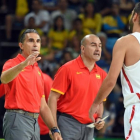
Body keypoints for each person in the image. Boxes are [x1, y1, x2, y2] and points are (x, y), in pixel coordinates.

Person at [89, 2, 140, 140]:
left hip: (137, 107)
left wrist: (96, 103)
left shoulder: (125, 42)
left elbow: (111, 80)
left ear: (134, 16)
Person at [0, 29, 62, 140]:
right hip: (17, 119)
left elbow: (42, 105)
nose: (35, 44)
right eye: (31, 41)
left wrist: (54, 129)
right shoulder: (12, 63)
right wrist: (23, 64)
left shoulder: (38, 71)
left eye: (38, 41)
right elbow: (4, 79)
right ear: (21, 45)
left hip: (34, 122)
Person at [48, 34, 107, 140]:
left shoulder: (102, 74)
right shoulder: (67, 69)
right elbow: (52, 98)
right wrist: (54, 128)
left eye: (100, 46)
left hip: (89, 127)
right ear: (83, 48)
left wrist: (99, 118)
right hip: (68, 124)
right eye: (93, 45)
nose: (98, 49)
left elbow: (100, 102)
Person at [38, 73, 53, 140]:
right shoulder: (46, 79)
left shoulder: (45, 79)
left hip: (43, 127)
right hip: (42, 126)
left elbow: (52, 102)